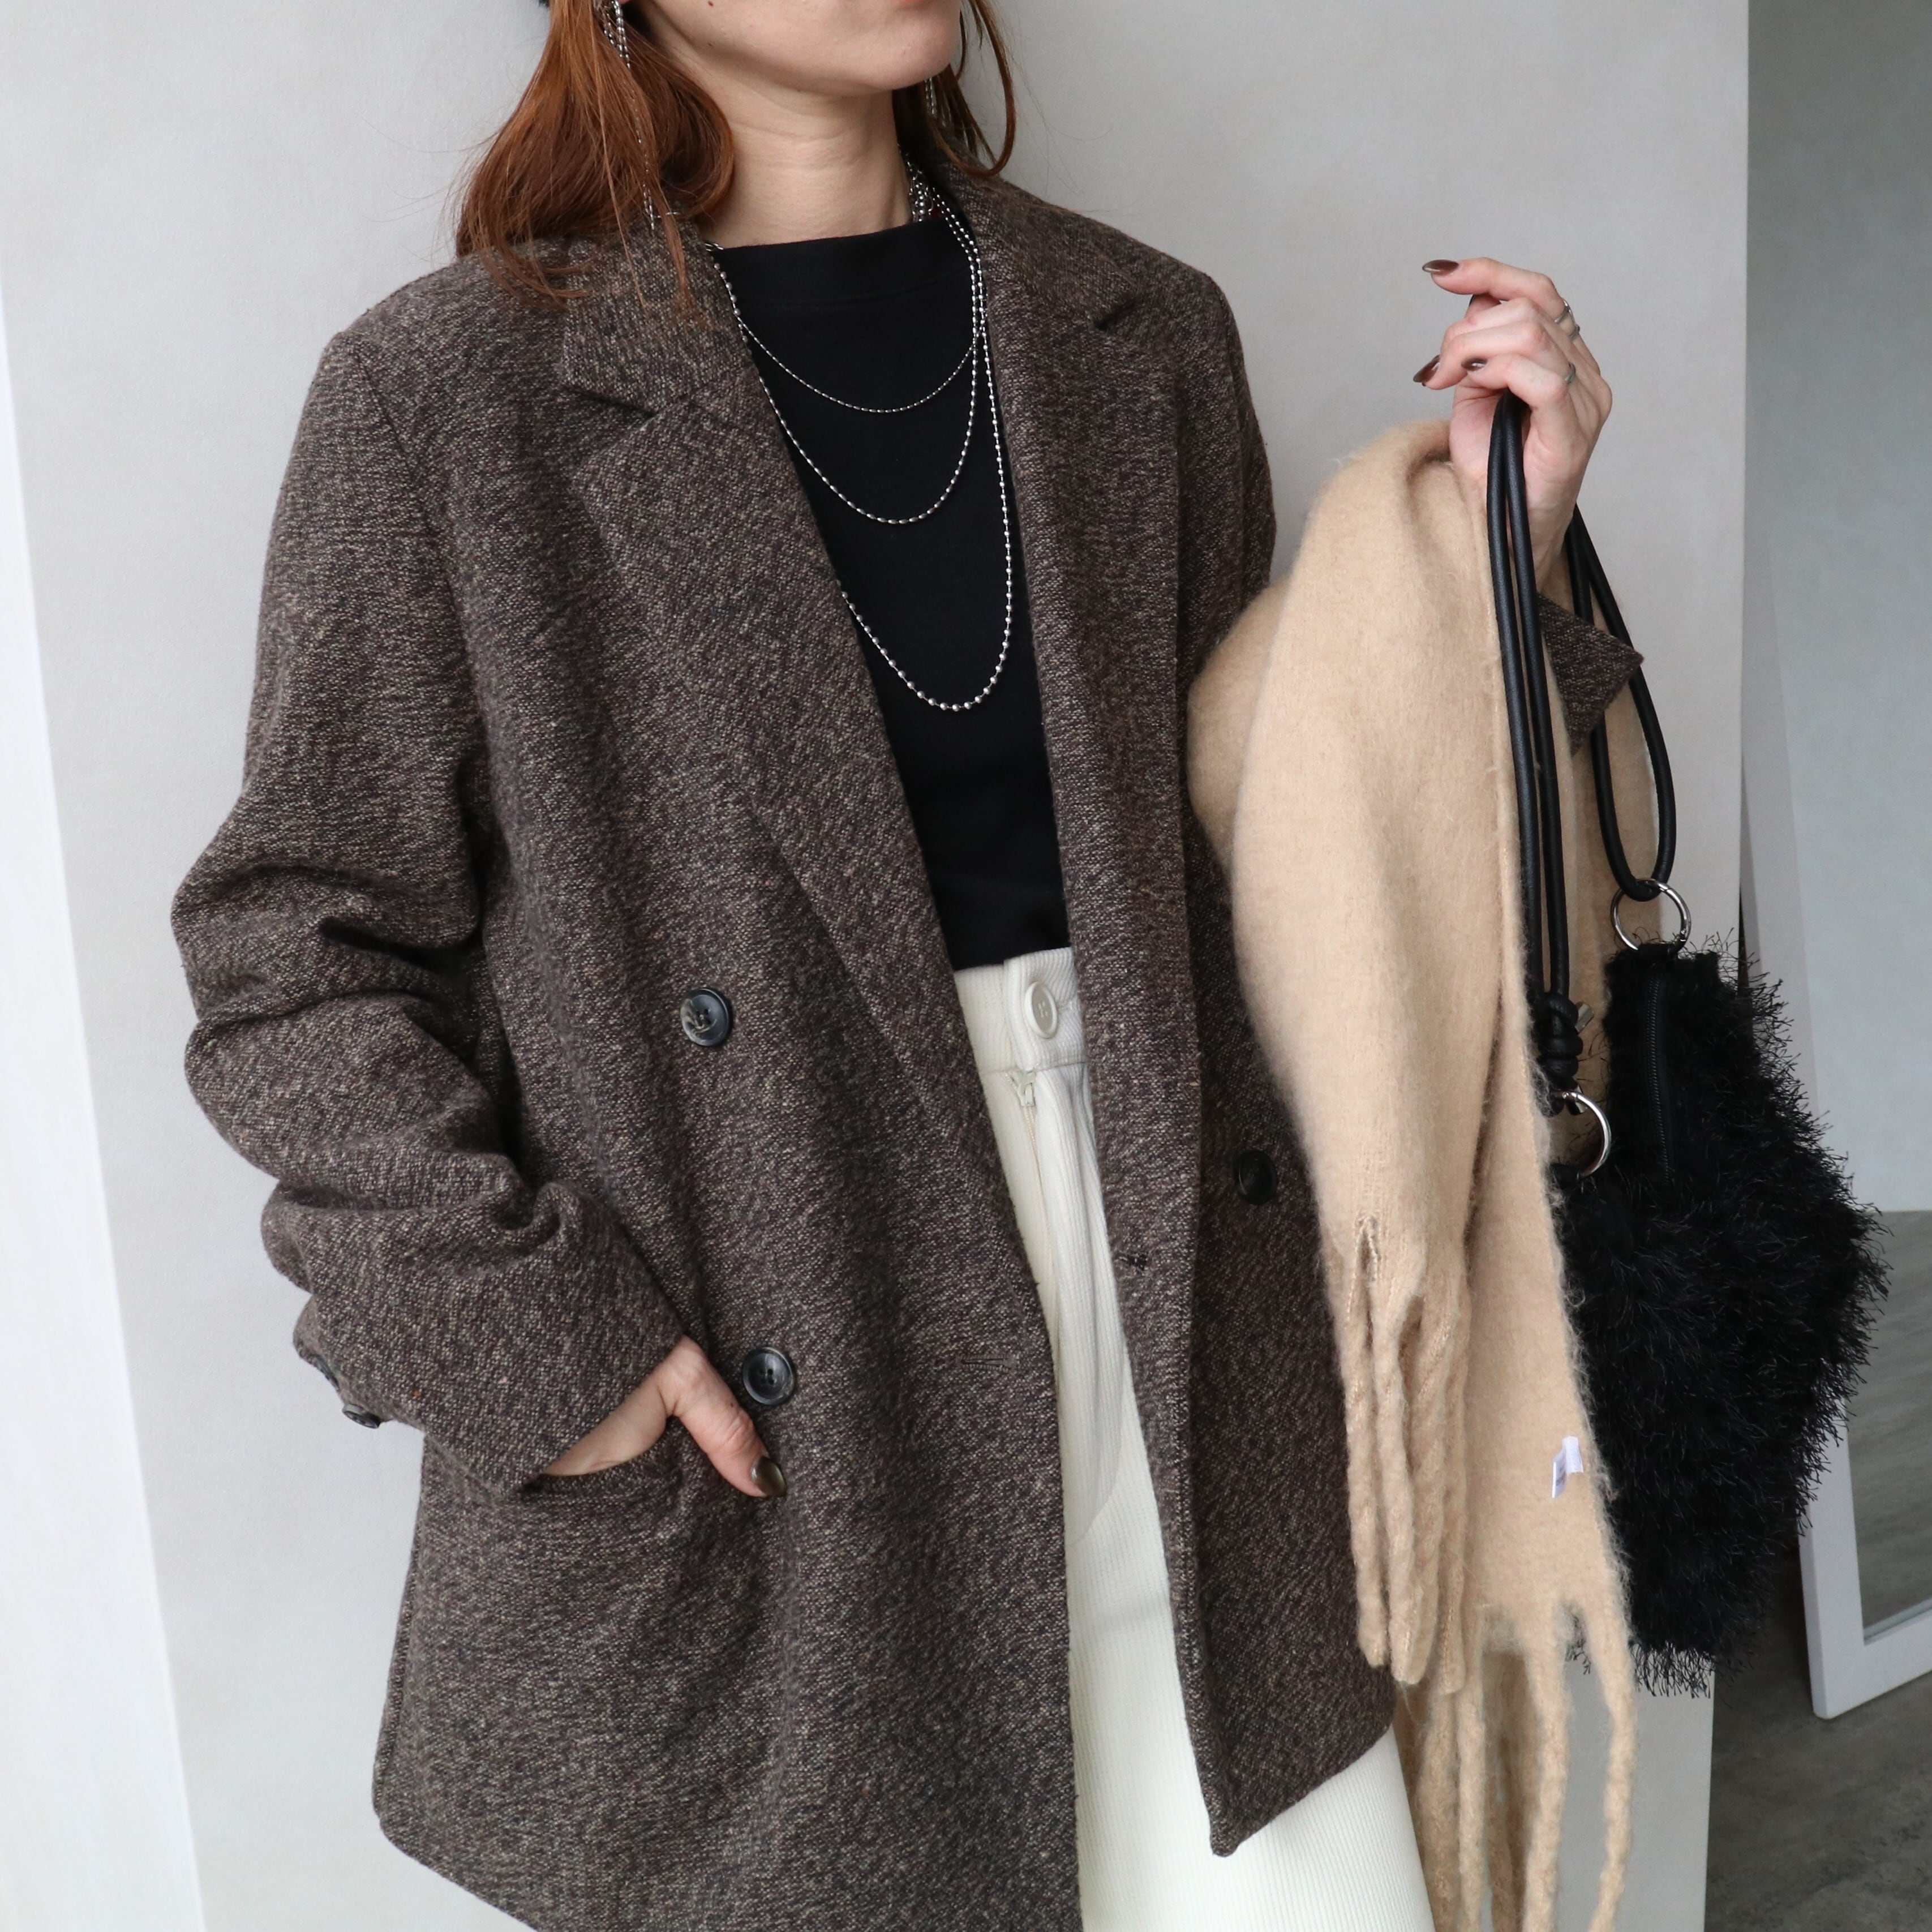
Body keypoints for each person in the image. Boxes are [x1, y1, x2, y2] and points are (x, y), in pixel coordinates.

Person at [171, 2, 1611, 1927]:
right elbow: (295, 946)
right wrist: (545, 1342)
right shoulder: (453, 395)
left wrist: (1500, 564)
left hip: (1190, 1311)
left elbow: (1274, 846)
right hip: (794, 1327)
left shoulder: (1138, 328)